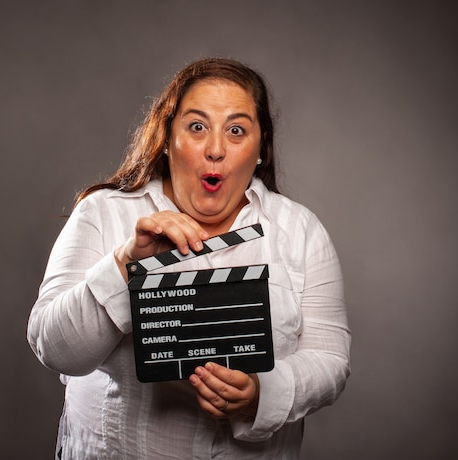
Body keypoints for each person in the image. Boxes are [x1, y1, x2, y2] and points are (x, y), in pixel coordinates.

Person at [28, 57, 351, 459]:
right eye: (197, 127)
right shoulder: (102, 213)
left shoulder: (301, 231)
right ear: (167, 137)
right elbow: (53, 347)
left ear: (259, 150)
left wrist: (261, 394)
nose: (215, 149)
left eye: (236, 131)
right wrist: (128, 264)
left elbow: (330, 359)